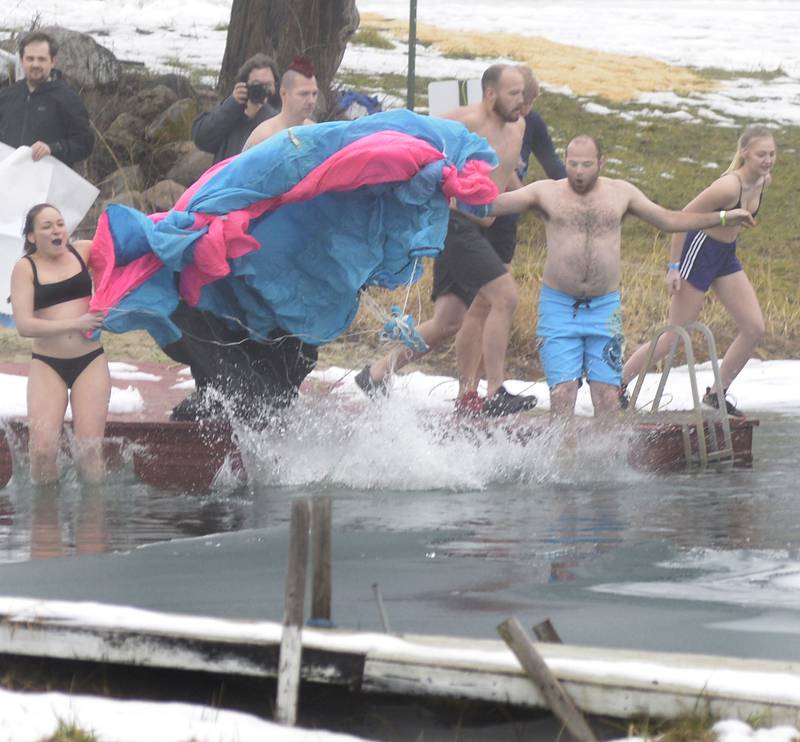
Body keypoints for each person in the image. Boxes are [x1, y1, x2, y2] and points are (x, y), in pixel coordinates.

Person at [489, 135, 755, 424]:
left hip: (604, 309)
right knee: (563, 394)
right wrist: (450, 193)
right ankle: (563, 464)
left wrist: (724, 218)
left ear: (601, 163)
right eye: (573, 164)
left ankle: (608, 466)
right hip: (559, 307)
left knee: (607, 396)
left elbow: (669, 220)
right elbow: (492, 205)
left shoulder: (621, 194)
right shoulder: (545, 193)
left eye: (587, 164)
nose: (579, 171)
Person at [354, 64, 538, 417]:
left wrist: (535, 200)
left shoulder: (519, 124)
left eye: (523, 93)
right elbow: (415, 141)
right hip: (457, 224)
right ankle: (496, 390)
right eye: (514, 93)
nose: (522, 100)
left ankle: (377, 373)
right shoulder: (464, 122)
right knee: (505, 296)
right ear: (489, 94)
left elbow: (504, 173)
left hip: (488, 226)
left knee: (448, 322)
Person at [620, 126, 775, 416]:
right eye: (760, 154)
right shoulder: (729, 187)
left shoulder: (764, 180)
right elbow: (680, 219)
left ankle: (717, 393)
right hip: (698, 251)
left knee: (754, 328)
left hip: (725, 257)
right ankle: (617, 385)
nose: (767, 160)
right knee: (674, 336)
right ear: (744, 154)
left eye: (771, 154)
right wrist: (674, 267)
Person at [455, 65, 566, 404]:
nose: (525, 108)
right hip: (475, 216)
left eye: (528, 102)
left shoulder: (529, 124)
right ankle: (470, 389)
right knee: (477, 306)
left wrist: (569, 198)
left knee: (488, 304)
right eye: (520, 99)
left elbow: (552, 165)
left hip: (504, 219)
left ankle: (477, 390)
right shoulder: (482, 121)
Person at [9, 203, 109, 483]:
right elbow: (25, 326)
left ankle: (92, 520)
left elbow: (125, 249)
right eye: (47, 226)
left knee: (90, 451)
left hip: (89, 361)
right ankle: (44, 521)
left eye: (60, 223)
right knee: (41, 452)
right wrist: (75, 323)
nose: (56, 230)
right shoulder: (25, 268)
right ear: (31, 237)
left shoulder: (84, 250)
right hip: (47, 365)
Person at [0, 31, 94, 167]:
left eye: (41, 59)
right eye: (30, 59)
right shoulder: (6, 96)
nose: (35, 64)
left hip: (49, 183)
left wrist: (53, 148)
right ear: (21, 61)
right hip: (9, 181)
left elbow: (85, 143)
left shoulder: (68, 99)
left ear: (53, 62)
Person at [192, 53, 280, 163]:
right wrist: (231, 105)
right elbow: (201, 139)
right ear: (244, 86)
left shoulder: (282, 114)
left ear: (276, 86)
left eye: (267, 85)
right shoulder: (231, 113)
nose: (262, 90)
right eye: (256, 85)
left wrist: (262, 111)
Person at [243, 56, 319, 151]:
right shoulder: (262, 137)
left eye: (314, 94)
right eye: (304, 94)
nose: (311, 101)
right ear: (284, 93)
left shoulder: (316, 131)